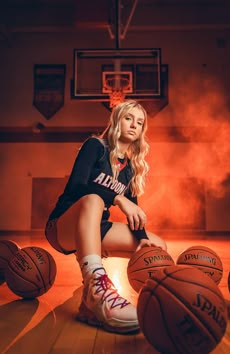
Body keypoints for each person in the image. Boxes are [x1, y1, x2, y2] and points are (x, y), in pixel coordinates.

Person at [45, 100, 167, 334]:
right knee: (94, 200)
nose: (134, 125)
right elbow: (77, 188)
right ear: (116, 121)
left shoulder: (130, 168)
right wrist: (117, 199)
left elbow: (135, 210)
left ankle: (92, 307)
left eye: (140, 122)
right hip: (62, 227)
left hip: (96, 230)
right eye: (128, 118)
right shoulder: (96, 146)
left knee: (156, 248)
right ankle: (97, 291)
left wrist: (141, 238)